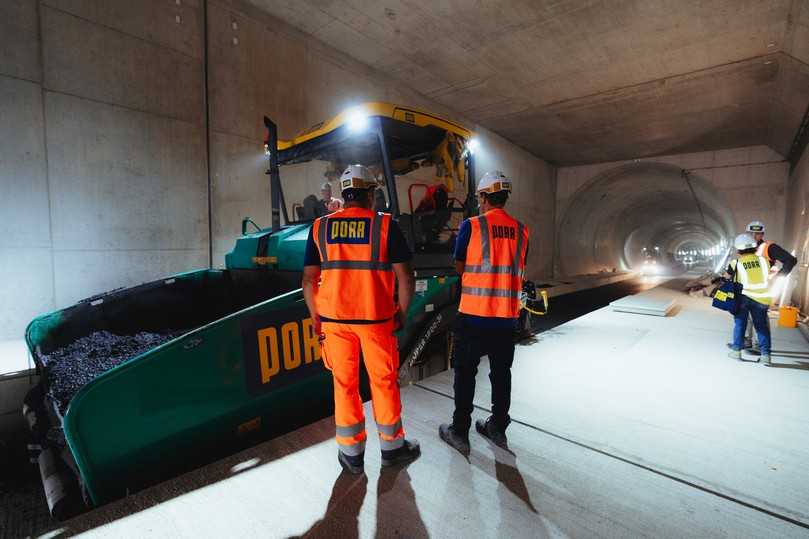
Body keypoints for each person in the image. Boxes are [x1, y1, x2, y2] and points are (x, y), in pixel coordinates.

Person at [302, 164, 420, 474]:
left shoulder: (320, 227)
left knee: (344, 385)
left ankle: (351, 456)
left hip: (334, 321)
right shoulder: (384, 226)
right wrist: (403, 313)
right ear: (370, 195)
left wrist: (316, 317)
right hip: (376, 321)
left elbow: (308, 280)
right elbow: (405, 278)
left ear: (344, 195)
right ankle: (392, 449)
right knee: (383, 383)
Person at [438, 171, 529, 454]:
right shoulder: (522, 230)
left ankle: (460, 432)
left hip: (474, 316)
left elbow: (460, 265)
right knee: (502, 374)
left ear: (484, 197)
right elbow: (517, 268)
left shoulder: (472, 226)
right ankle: (498, 428)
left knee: (465, 374)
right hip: (506, 318)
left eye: (480, 197)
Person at [731, 221, 797, 354]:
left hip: (762, 289)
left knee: (760, 319)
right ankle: (747, 341)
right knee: (747, 318)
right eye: (751, 233)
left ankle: (758, 346)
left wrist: (779, 276)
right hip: (746, 289)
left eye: (757, 233)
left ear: (762, 234)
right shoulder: (748, 247)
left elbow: (791, 260)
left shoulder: (769, 247)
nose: (754, 236)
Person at [726, 233, 772, 366]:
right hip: (762, 298)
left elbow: (727, 277)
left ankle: (736, 351)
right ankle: (765, 356)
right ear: (754, 247)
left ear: (739, 249)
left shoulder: (736, 263)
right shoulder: (764, 261)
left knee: (740, 324)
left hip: (743, 298)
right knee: (761, 327)